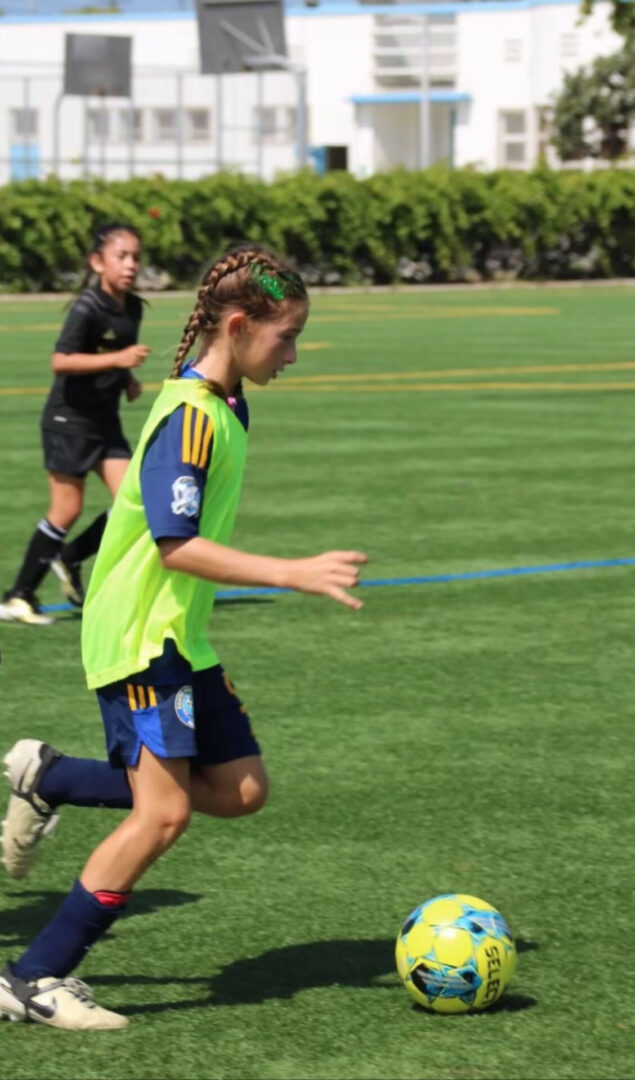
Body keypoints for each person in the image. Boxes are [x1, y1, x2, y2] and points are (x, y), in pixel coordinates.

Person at [0, 243, 367, 1030]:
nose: (294, 354)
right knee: (160, 816)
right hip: (141, 638)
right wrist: (291, 571)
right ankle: (34, 977)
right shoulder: (194, 418)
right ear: (237, 326)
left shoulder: (229, 403)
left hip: (179, 635)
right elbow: (177, 544)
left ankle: (51, 777)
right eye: (285, 337)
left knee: (238, 790)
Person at [0, 223, 150, 626]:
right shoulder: (87, 307)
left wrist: (127, 380)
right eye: (122, 256)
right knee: (66, 509)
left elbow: (113, 353)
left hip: (105, 422)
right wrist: (118, 363)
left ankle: (69, 557)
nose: (131, 265)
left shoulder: (132, 307)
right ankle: (17, 596)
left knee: (135, 503)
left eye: (135, 257)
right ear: (97, 262)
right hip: (69, 420)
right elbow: (62, 361)